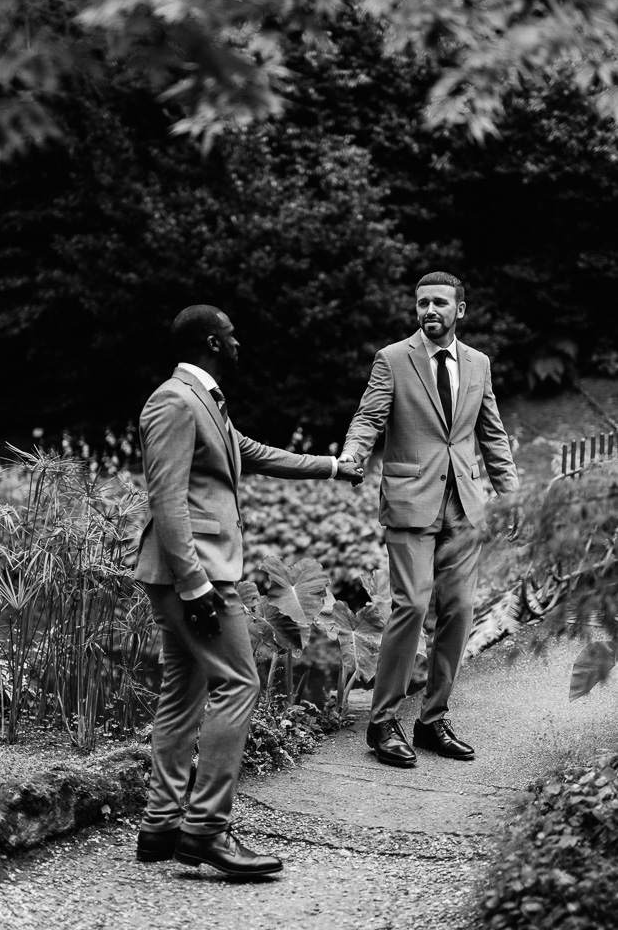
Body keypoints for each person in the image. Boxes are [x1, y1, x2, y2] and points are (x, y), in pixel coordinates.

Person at [134, 304, 363, 877]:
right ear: (213, 341)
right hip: (195, 575)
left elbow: (254, 452)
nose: (240, 345)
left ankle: (161, 823)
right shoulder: (173, 401)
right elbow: (166, 500)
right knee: (239, 682)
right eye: (234, 337)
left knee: (182, 691)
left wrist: (333, 466)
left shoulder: (205, 401)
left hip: (193, 573)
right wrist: (195, 585)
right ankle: (206, 828)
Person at [339, 272, 518, 766]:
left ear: (460, 309)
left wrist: (511, 497)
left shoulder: (479, 364)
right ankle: (382, 724)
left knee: (459, 610)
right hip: (410, 501)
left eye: (439, 302)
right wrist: (353, 453)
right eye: (422, 303)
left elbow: (493, 435)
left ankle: (433, 719)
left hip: (464, 503)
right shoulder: (393, 359)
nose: (429, 310)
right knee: (412, 606)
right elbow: (369, 417)